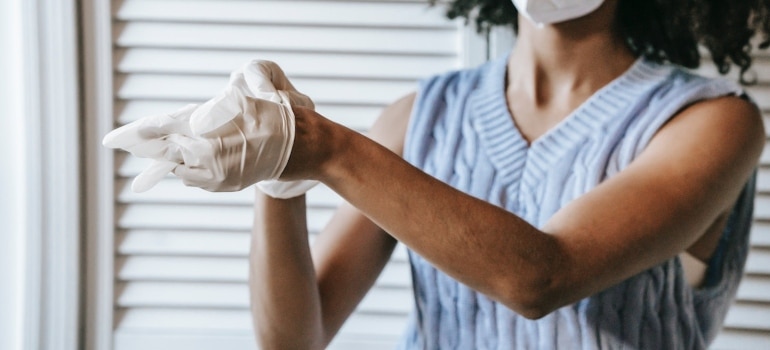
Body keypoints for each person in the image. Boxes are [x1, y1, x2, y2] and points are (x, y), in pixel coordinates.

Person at [103, 0, 770, 349]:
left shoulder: (711, 122)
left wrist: (322, 149)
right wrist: (279, 182)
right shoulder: (419, 116)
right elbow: (294, 341)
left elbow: (541, 277)